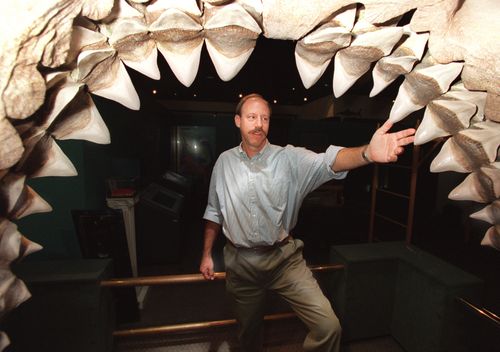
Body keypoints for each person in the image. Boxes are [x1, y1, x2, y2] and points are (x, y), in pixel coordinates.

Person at [199, 93, 415, 352]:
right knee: (248, 335)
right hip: (241, 263)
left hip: (284, 259)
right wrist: (206, 254)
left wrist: (367, 153)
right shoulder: (224, 162)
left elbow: (328, 162)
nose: (259, 124)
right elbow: (214, 210)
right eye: (252, 117)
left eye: (265, 118)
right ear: (237, 121)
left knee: (328, 327)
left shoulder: (289, 159)